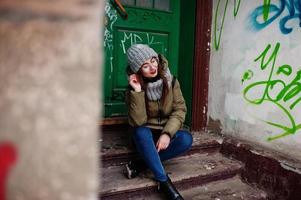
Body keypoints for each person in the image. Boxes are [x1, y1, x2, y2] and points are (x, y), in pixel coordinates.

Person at [125, 44, 193, 200]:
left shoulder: (171, 81)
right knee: (140, 131)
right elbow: (138, 121)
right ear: (138, 70)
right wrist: (137, 92)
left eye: (153, 60)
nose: (152, 67)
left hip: (164, 132)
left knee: (186, 139)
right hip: (145, 136)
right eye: (145, 65)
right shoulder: (132, 88)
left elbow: (179, 110)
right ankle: (165, 184)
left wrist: (167, 134)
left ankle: (140, 164)